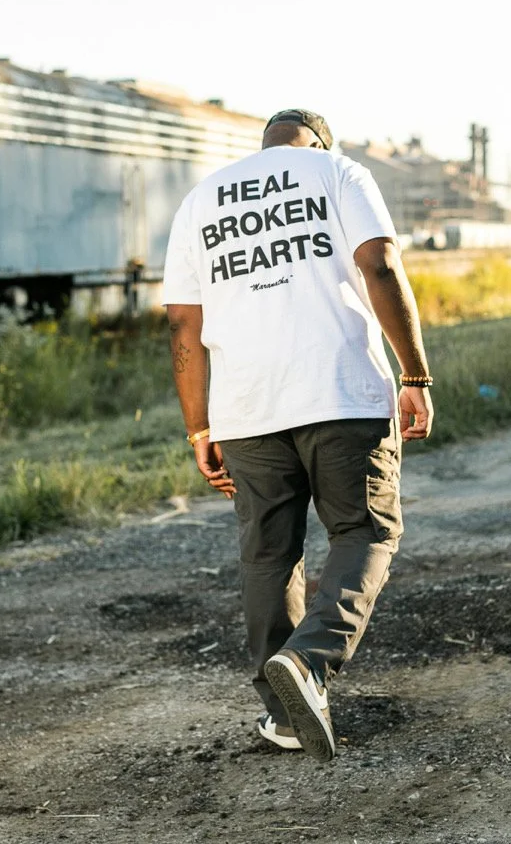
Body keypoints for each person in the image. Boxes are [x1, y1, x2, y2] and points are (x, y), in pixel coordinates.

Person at [162, 108, 433, 763]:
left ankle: (284, 716)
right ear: (316, 141)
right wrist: (415, 372)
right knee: (364, 531)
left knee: (268, 555)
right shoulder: (337, 172)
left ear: (266, 144)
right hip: (339, 392)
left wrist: (199, 424)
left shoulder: (201, 200)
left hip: (247, 408)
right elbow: (382, 264)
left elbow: (181, 323)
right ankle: (309, 663)